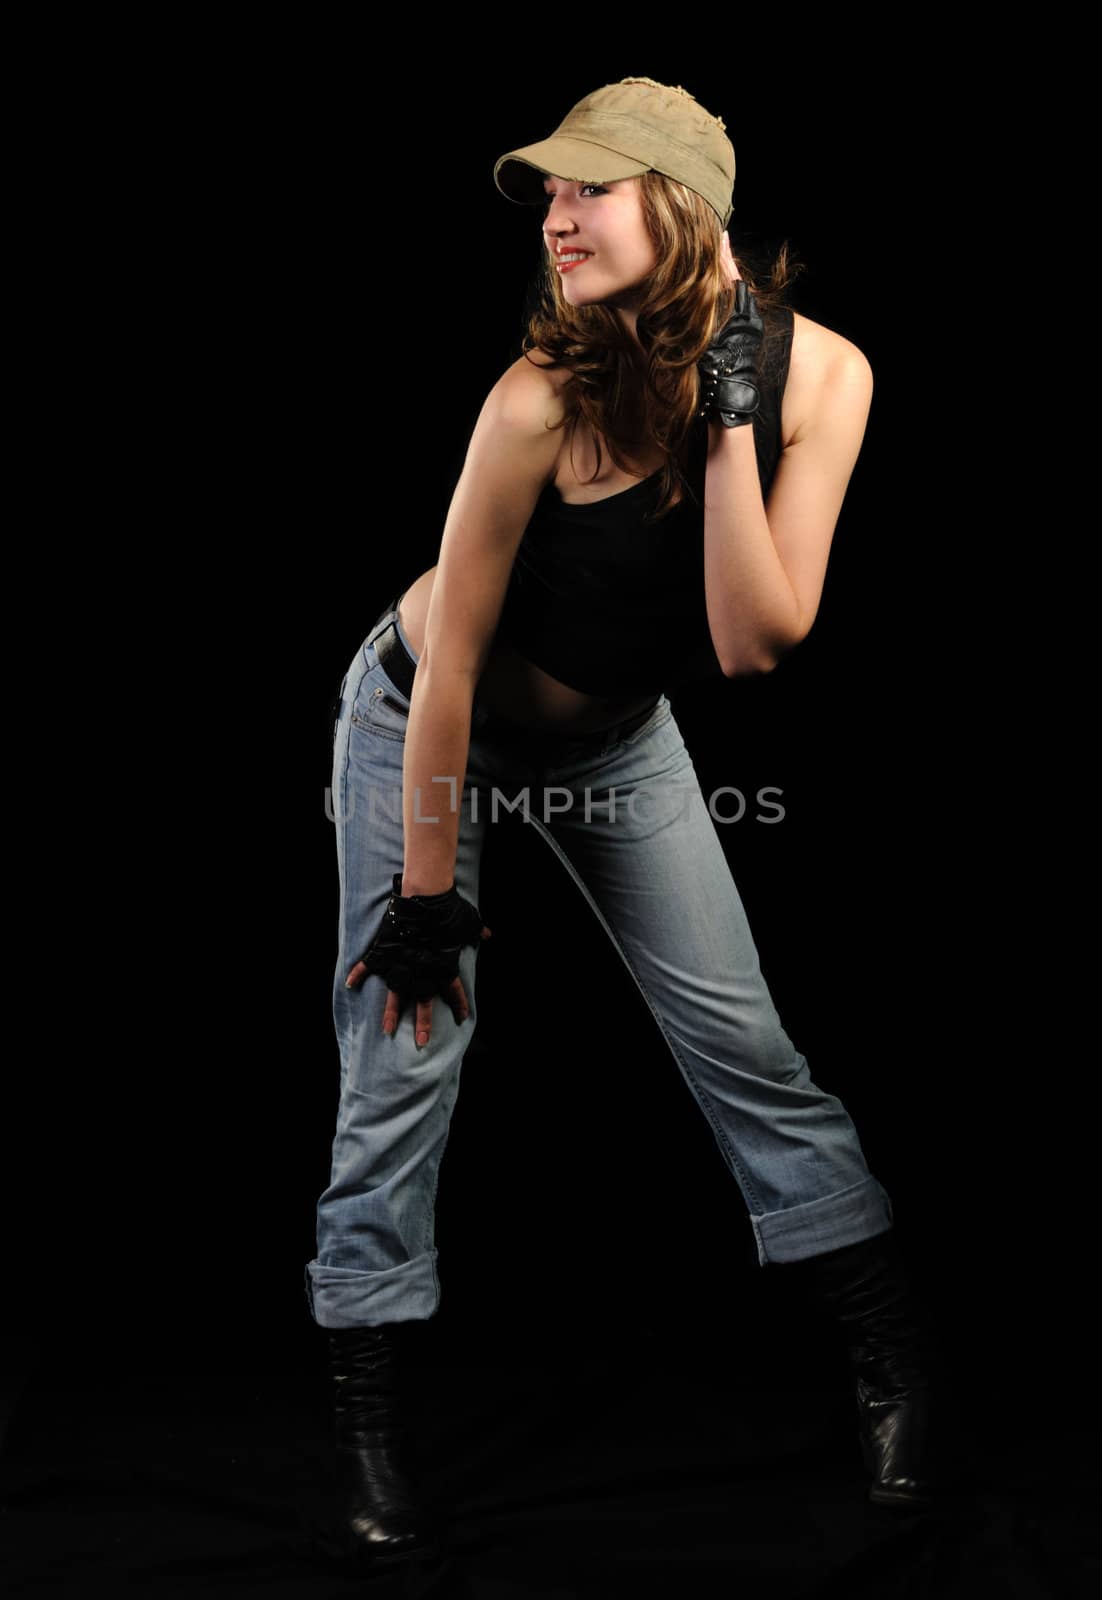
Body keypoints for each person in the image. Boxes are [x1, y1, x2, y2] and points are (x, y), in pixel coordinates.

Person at [305, 78, 941, 1569]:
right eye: (548, 192)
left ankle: (895, 1365)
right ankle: (365, 1410)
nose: (555, 213)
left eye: (589, 187)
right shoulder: (539, 392)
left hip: (615, 741)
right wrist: (425, 890)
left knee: (746, 1043)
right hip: (421, 722)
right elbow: (448, 662)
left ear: (684, 206)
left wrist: (730, 414)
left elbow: (750, 639)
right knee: (405, 1049)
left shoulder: (824, 379)